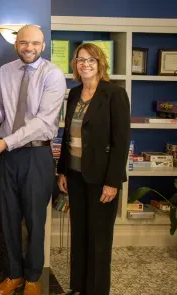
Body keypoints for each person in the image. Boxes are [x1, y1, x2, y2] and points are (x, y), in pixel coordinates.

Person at [0, 25, 66, 295]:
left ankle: (32, 277)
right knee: (8, 218)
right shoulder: (5, 71)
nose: (28, 48)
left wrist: (7, 141)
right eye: (23, 43)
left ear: (43, 46)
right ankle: (14, 274)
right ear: (16, 44)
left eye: (34, 44)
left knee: (34, 219)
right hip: (6, 156)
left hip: (36, 154)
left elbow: (43, 122)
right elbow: (4, 111)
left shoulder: (52, 74)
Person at [57, 43, 130, 295]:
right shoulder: (75, 93)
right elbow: (67, 135)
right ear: (75, 64)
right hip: (75, 175)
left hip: (102, 179)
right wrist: (62, 170)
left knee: (99, 239)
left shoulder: (114, 94)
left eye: (91, 60)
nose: (85, 64)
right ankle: (78, 288)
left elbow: (121, 141)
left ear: (100, 63)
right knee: (79, 234)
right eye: (80, 60)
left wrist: (113, 182)